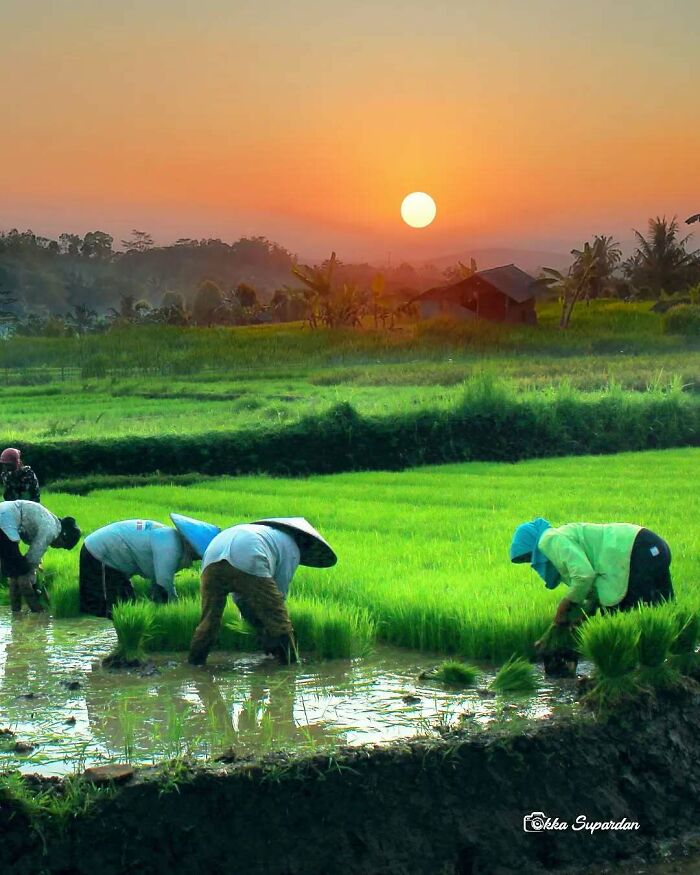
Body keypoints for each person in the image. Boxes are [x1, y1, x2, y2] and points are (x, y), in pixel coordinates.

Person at [188, 517, 337, 667]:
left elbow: (241, 593)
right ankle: (290, 667)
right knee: (279, 620)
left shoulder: (267, 534)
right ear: (303, 541)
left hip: (211, 559)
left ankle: (195, 664)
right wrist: (272, 621)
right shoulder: (291, 547)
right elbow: (279, 591)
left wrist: (256, 622)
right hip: (250, 556)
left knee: (208, 621)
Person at [510, 518, 674, 629]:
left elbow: (584, 576)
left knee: (622, 620)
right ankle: (670, 663)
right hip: (653, 546)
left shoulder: (548, 540)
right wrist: (585, 613)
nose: (530, 561)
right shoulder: (562, 536)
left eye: (527, 556)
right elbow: (596, 586)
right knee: (663, 613)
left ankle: (620, 674)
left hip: (638, 551)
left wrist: (565, 605)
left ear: (531, 544)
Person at [79, 514, 219, 618]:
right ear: (192, 546)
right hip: (98, 553)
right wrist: (174, 608)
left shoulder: (169, 537)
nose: (197, 560)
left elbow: (156, 582)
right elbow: (163, 584)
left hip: (115, 561)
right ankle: (89, 643)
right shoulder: (170, 546)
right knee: (100, 608)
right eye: (199, 556)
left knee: (127, 604)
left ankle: (119, 641)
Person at [0, 500, 81, 612]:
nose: (57, 547)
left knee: (14, 576)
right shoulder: (51, 530)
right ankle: (39, 614)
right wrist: (32, 575)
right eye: (62, 545)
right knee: (23, 575)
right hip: (6, 522)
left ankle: (15, 615)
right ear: (64, 536)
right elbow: (32, 557)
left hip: (5, 517)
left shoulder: (51, 520)